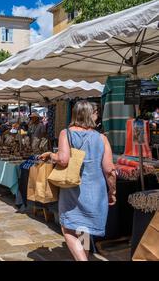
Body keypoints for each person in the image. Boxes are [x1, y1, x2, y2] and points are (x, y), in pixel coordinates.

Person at [39, 100, 117, 261]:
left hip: (73, 189)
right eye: (96, 113)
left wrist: (51, 155)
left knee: (68, 228)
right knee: (84, 229)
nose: (97, 116)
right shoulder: (101, 138)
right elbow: (110, 170)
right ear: (88, 114)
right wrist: (112, 192)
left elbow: (63, 160)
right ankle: (84, 256)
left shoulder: (65, 133)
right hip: (96, 191)